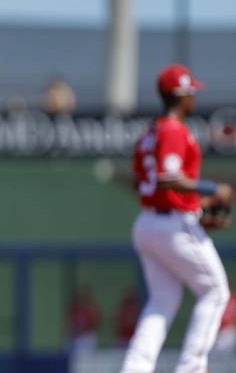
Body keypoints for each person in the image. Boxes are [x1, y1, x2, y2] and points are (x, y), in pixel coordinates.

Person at [120, 64, 233, 373]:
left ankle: (135, 368)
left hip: (149, 223)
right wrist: (215, 189)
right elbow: (169, 178)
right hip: (172, 226)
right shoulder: (172, 130)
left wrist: (197, 207)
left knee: (163, 299)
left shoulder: (150, 133)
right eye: (191, 92)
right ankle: (192, 368)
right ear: (180, 95)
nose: (194, 98)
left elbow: (144, 182)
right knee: (216, 292)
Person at [67, 284, 102, 354]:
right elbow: (69, 323)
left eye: (85, 294)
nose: (83, 296)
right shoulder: (74, 308)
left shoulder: (92, 308)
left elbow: (97, 322)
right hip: (76, 338)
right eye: (81, 294)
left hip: (87, 337)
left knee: (87, 358)